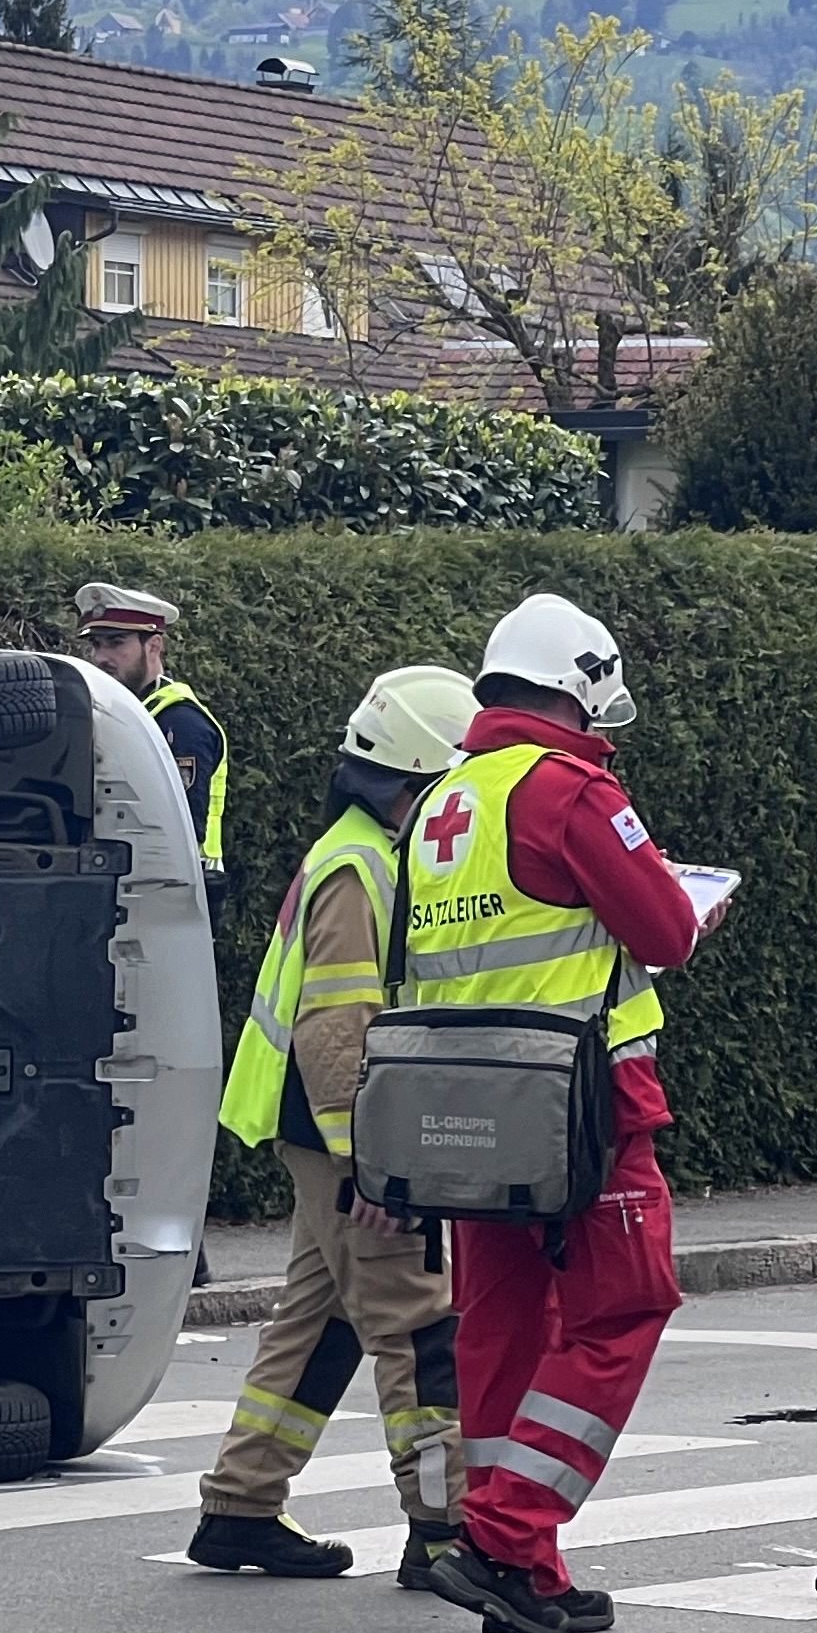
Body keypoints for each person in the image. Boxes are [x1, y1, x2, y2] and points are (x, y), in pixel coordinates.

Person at [403, 594, 709, 1633]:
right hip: (583, 1110)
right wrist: (689, 899)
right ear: (581, 687)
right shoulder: (571, 789)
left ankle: (520, 1567)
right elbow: (665, 930)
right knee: (625, 1309)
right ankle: (506, 1534)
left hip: (466, 1108)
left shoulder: (444, 800)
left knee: (500, 1329)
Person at [193, 663, 481, 1581]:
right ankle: (444, 1532)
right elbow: (335, 1032)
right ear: (419, 781)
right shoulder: (364, 869)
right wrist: (377, 1165)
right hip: (346, 1135)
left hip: (322, 1132)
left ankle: (240, 1506)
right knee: (417, 1326)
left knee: (320, 1323)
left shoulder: (363, 852)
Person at [76, 583, 228, 910]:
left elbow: (177, 829)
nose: (101, 658)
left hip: (172, 898)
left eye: (117, 644)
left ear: (154, 646)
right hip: (123, 889)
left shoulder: (180, 722)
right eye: (96, 645)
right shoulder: (115, 711)